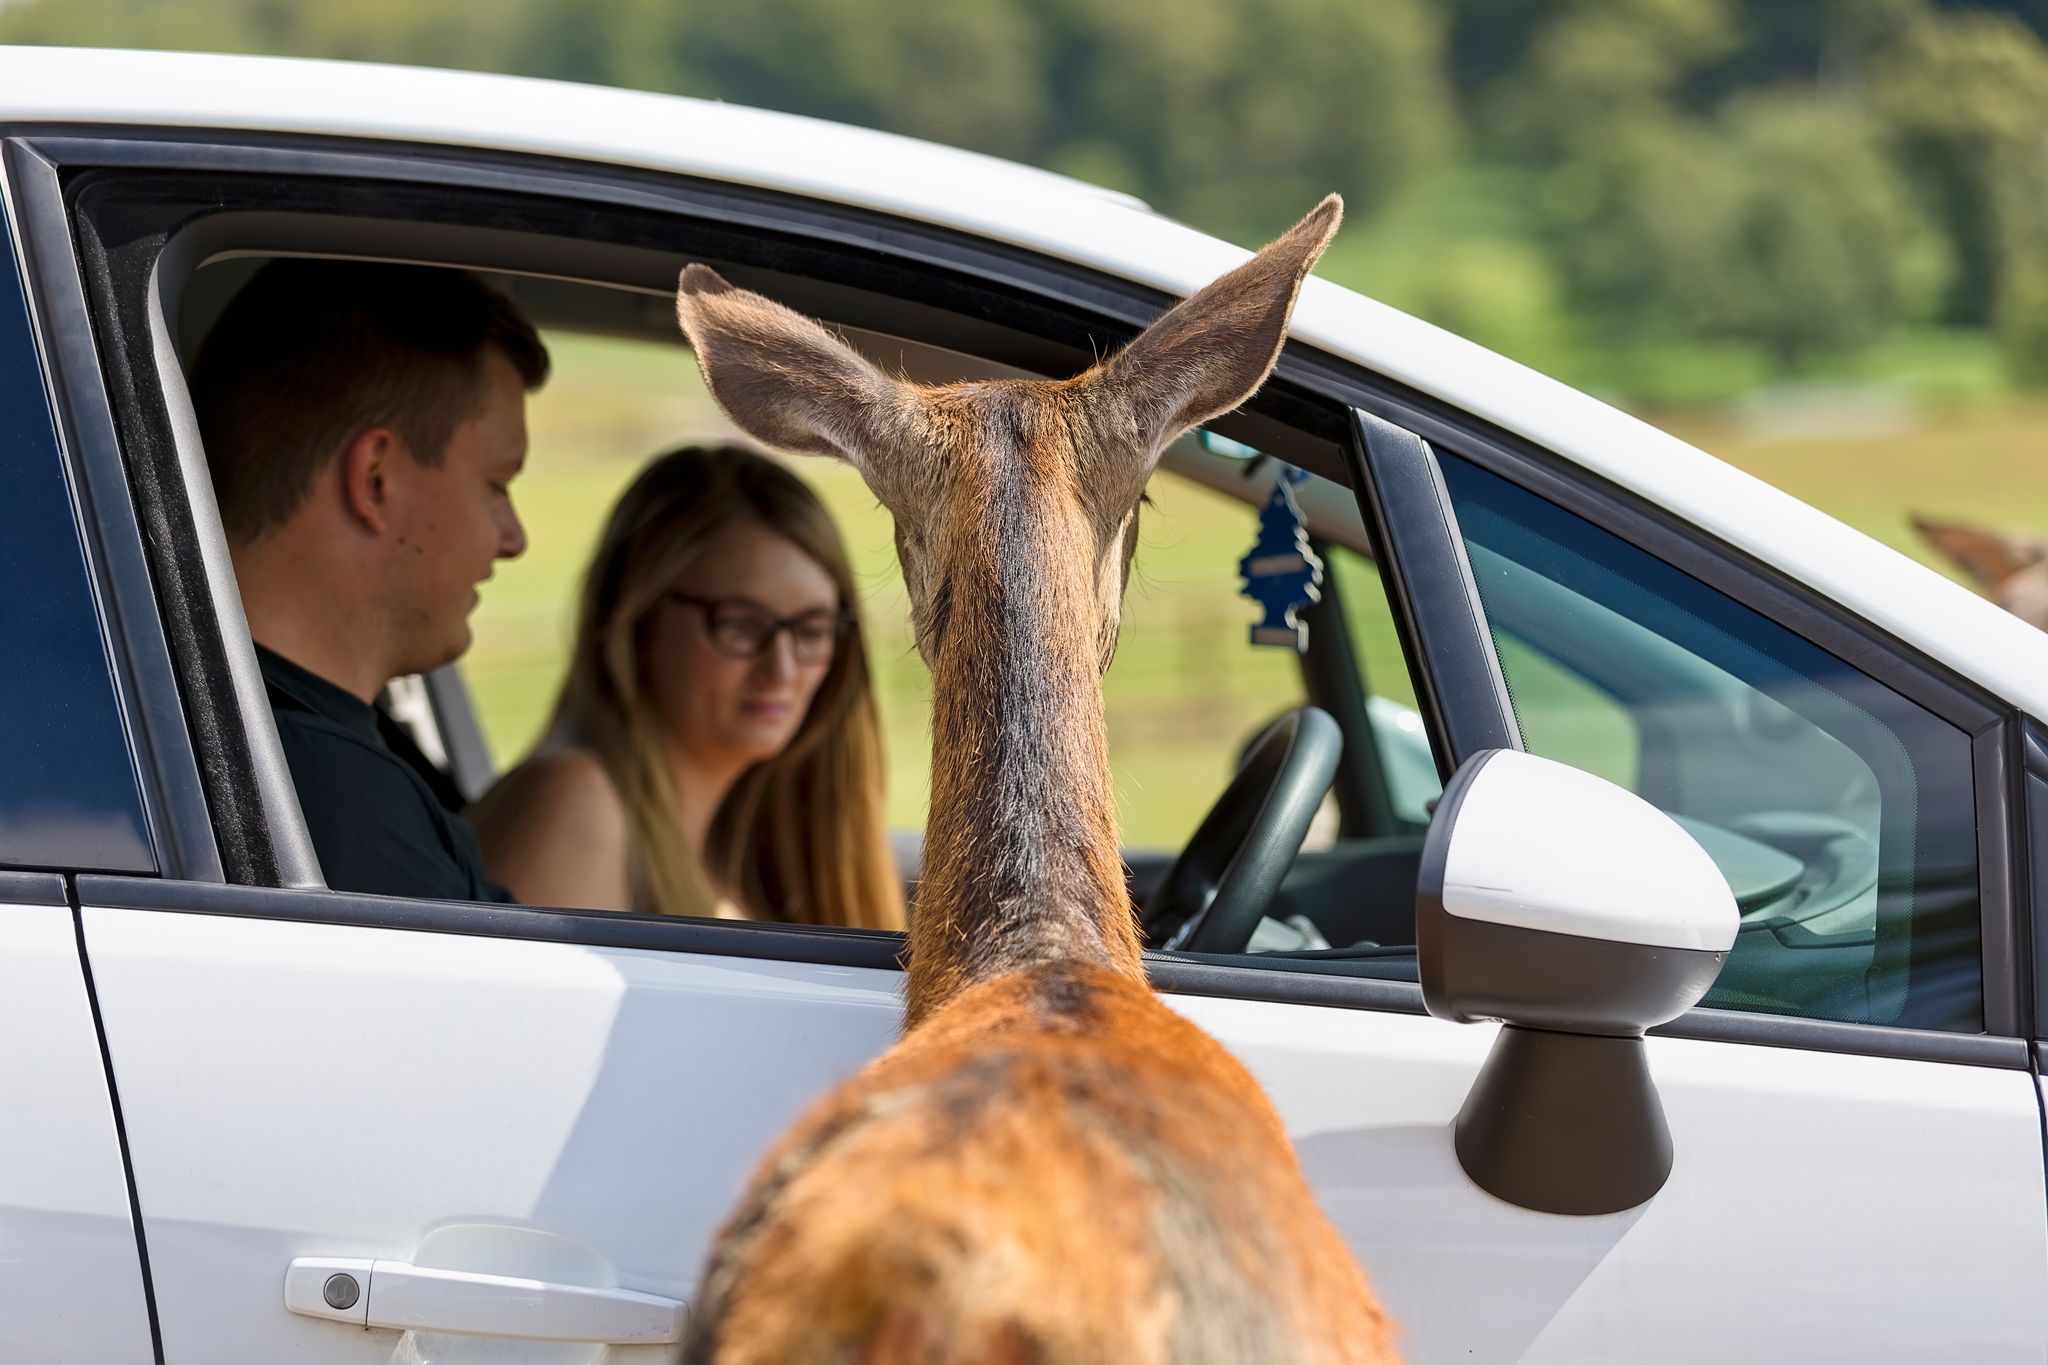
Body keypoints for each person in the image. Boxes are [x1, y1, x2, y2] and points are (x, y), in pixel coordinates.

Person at [191, 259, 550, 901]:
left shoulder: (275, 743)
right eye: (497, 485)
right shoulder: (334, 793)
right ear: (376, 479)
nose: (514, 538)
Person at [470, 445, 905, 930]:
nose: (781, 669)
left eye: (811, 629)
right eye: (740, 625)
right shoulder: (575, 803)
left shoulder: (740, 850)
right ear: (638, 625)